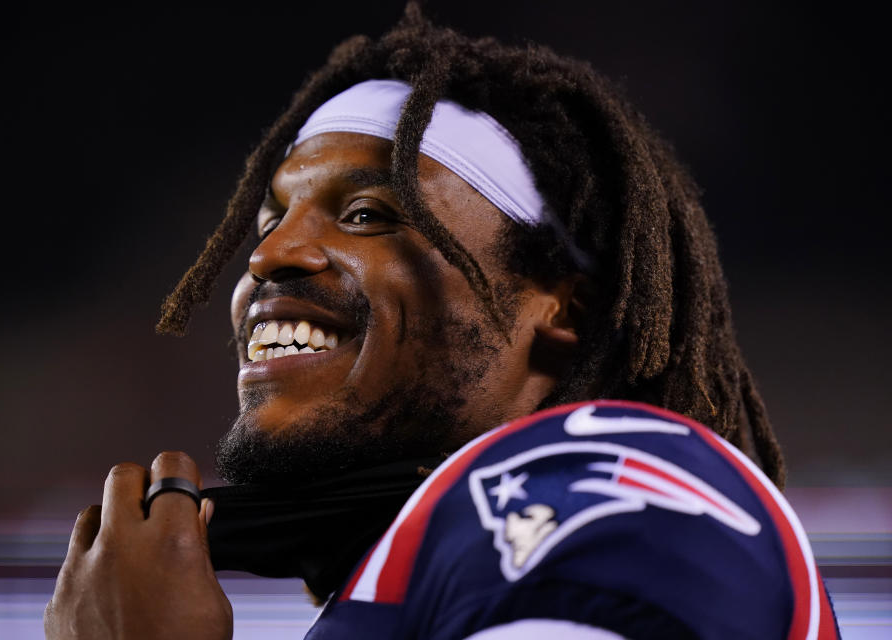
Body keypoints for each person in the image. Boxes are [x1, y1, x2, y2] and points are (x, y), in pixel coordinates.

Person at [44, 5, 839, 639]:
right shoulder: (436, 558)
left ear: (561, 307)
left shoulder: (603, 501)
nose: (269, 257)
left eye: (365, 214)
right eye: (267, 224)